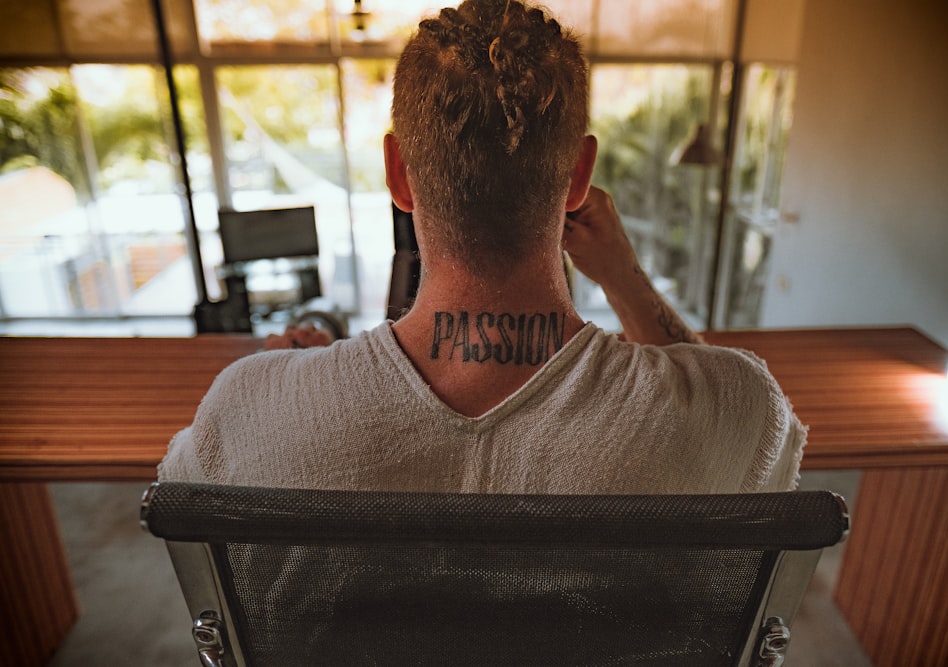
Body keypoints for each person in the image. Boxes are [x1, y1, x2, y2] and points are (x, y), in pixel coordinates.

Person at [159, 0, 804, 493]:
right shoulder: (739, 406)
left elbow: (177, 499)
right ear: (580, 177)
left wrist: (310, 383)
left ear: (398, 176)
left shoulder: (251, 406)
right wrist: (623, 277)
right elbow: (714, 398)